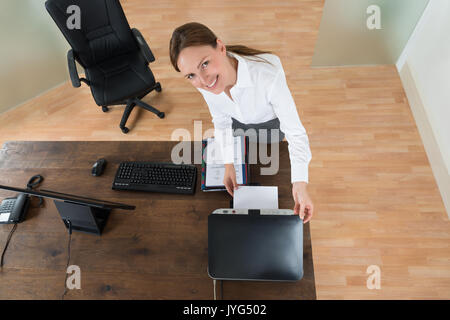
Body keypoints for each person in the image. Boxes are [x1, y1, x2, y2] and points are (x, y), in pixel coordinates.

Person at [169, 22, 313, 223]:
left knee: (271, 154)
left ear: (220, 47)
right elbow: (221, 121)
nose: (203, 80)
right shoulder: (206, 84)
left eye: (205, 64)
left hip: (268, 123)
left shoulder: (267, 77)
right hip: (238, 121)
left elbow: (295, 133)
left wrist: (300, 185)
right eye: (191, 75)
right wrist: (229, 164)